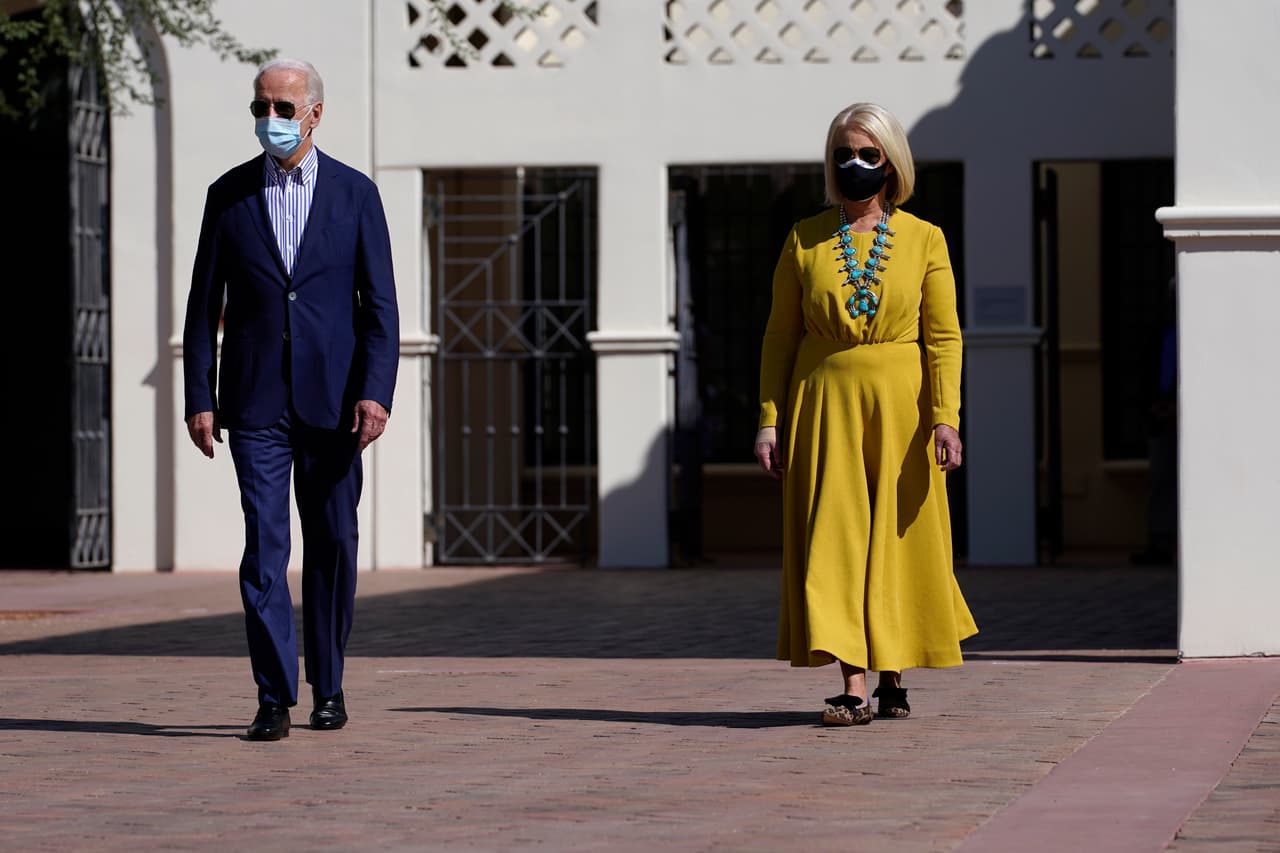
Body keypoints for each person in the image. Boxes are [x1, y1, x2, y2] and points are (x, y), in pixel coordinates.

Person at [183, 58, 400, 741]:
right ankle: (273, 696)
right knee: (264, 549)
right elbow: (202, 307)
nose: (270, 120)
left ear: (314, 114)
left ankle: (328, 686)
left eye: (282, 108)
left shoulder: (356, 195)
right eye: (261, 107)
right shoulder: (228, 196)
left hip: (335, 407)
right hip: (254, 405)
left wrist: (375, 393)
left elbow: (381, 310)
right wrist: (199, 396)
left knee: (333, 543)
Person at [754, 102, 976, 726]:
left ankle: (893, 677)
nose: (854, 164)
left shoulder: (926, 239)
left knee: (899, 540)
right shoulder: (804, 238)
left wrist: (946, 416)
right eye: (843, 154)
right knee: (838, 540)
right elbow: (779, 337)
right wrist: (770, 418)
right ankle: (854, 686)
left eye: (868, 154)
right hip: (824, 406)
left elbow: (944, 337)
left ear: (891, 162)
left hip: (903, 409)